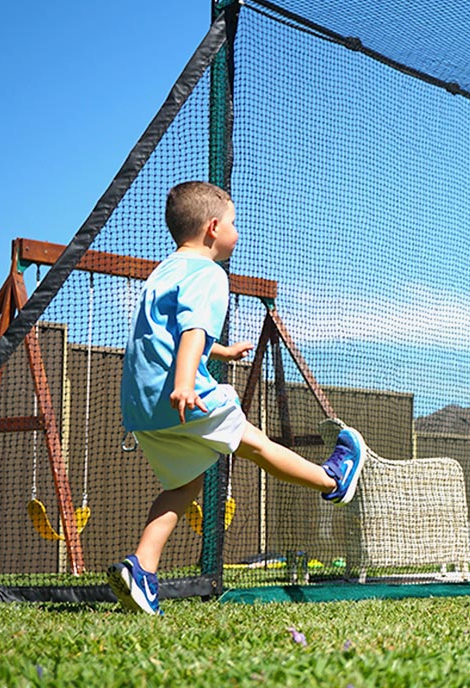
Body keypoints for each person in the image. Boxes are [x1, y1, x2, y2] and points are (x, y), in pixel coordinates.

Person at [107, 180, 365, 615]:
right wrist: (186, 382)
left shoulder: (164, 271)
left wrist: (220, 351)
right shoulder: (209, 274)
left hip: (141, 406)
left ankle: (142, 568)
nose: (236, 231)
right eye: (233, 222)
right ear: (212, 228)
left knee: (182, 484)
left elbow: (164, 334)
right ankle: (334, 481)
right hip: (183, 397)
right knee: (258, 445)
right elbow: (192, 331)